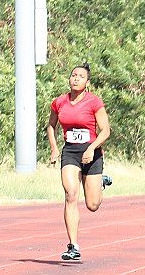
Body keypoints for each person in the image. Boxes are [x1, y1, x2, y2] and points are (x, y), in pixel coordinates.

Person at [46, 63, 112, 260]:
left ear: (87, 82)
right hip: (71, 153)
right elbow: (51, 126)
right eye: (73, 75)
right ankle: (73, 245)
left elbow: (106, 130)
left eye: (80, 76)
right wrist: (54, 148)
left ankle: (99, 183)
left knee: (92, 204)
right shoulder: (59, 102)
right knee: (71, 194)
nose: (76, 79)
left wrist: (92, 148)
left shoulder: (94, 102)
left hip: (92, 152)